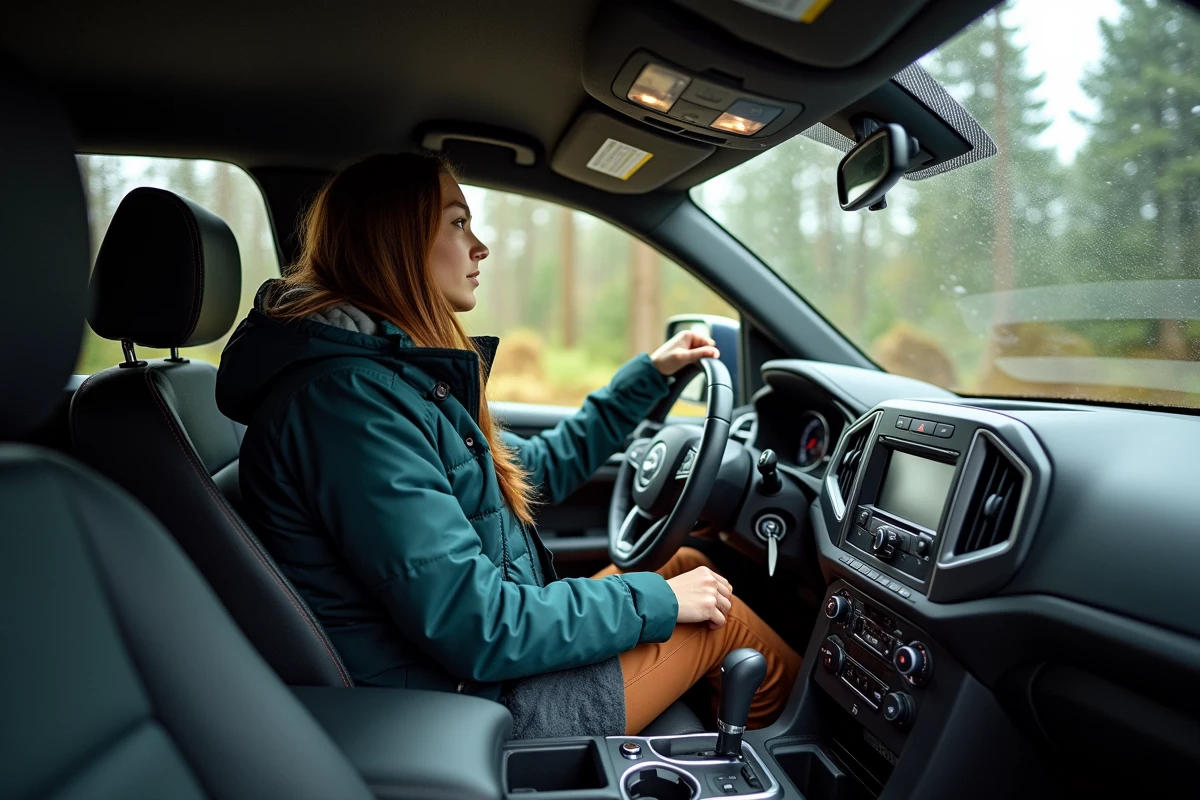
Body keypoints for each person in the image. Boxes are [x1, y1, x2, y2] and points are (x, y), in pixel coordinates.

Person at [216, 153, 802, 739]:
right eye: (457, 223)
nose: (480, 247)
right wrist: (656, 603)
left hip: (466, 671)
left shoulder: (388, 382)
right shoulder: (350, 405)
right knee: (722, 624)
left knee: (688, 567)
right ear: (396, 240)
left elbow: (532, 470)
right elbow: (476, 624)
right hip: (465, 705)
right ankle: (785, 765)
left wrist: (649, 376)